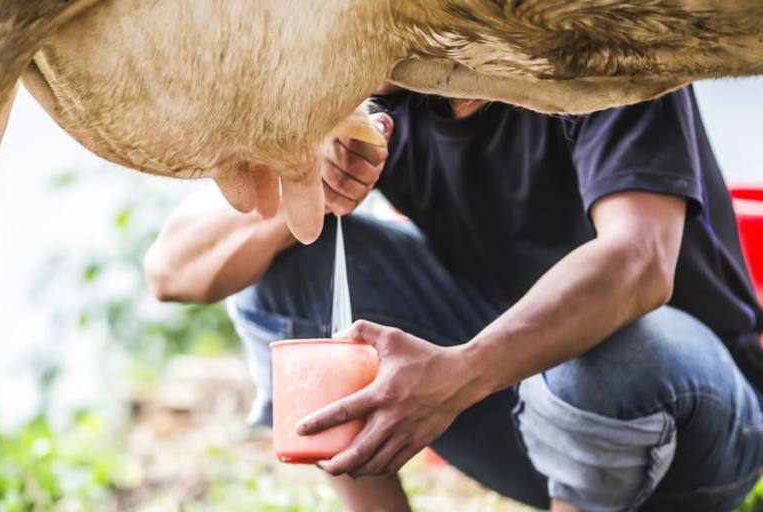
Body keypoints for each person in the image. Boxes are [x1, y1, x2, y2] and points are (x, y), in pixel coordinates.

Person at [144, 86, 763, 511]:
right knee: (286, 268)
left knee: (622, 348)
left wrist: (457, 375)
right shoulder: (390, 88)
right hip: (519, 414)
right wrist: (311, 186)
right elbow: (172, 270)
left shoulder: (602, 41)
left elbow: (640, 263)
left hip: (698, 429)